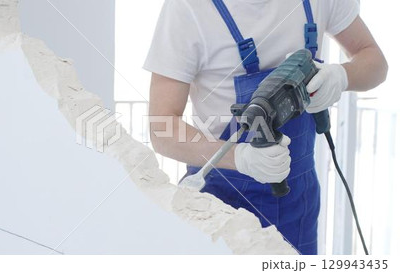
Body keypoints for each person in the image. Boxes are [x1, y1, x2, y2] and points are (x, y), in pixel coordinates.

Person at [144, 0, 387, 254]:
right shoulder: (187, 9)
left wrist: (341, 76)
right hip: (223, 202)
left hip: (298, 202)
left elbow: (376, 62)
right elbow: (162, 129)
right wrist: (239, 157)